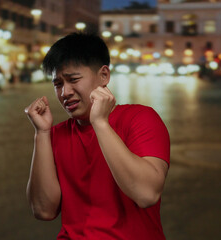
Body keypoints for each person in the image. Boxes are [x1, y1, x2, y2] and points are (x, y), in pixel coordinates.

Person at [24, 32, 170, 239]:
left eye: (73, 79)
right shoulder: (56, 134)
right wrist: (42, 133)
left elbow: (147, 194)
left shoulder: (141, 118)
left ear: (103, 76)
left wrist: (100, 123)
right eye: (58, 84)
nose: (65, 92)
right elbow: (43, 210)